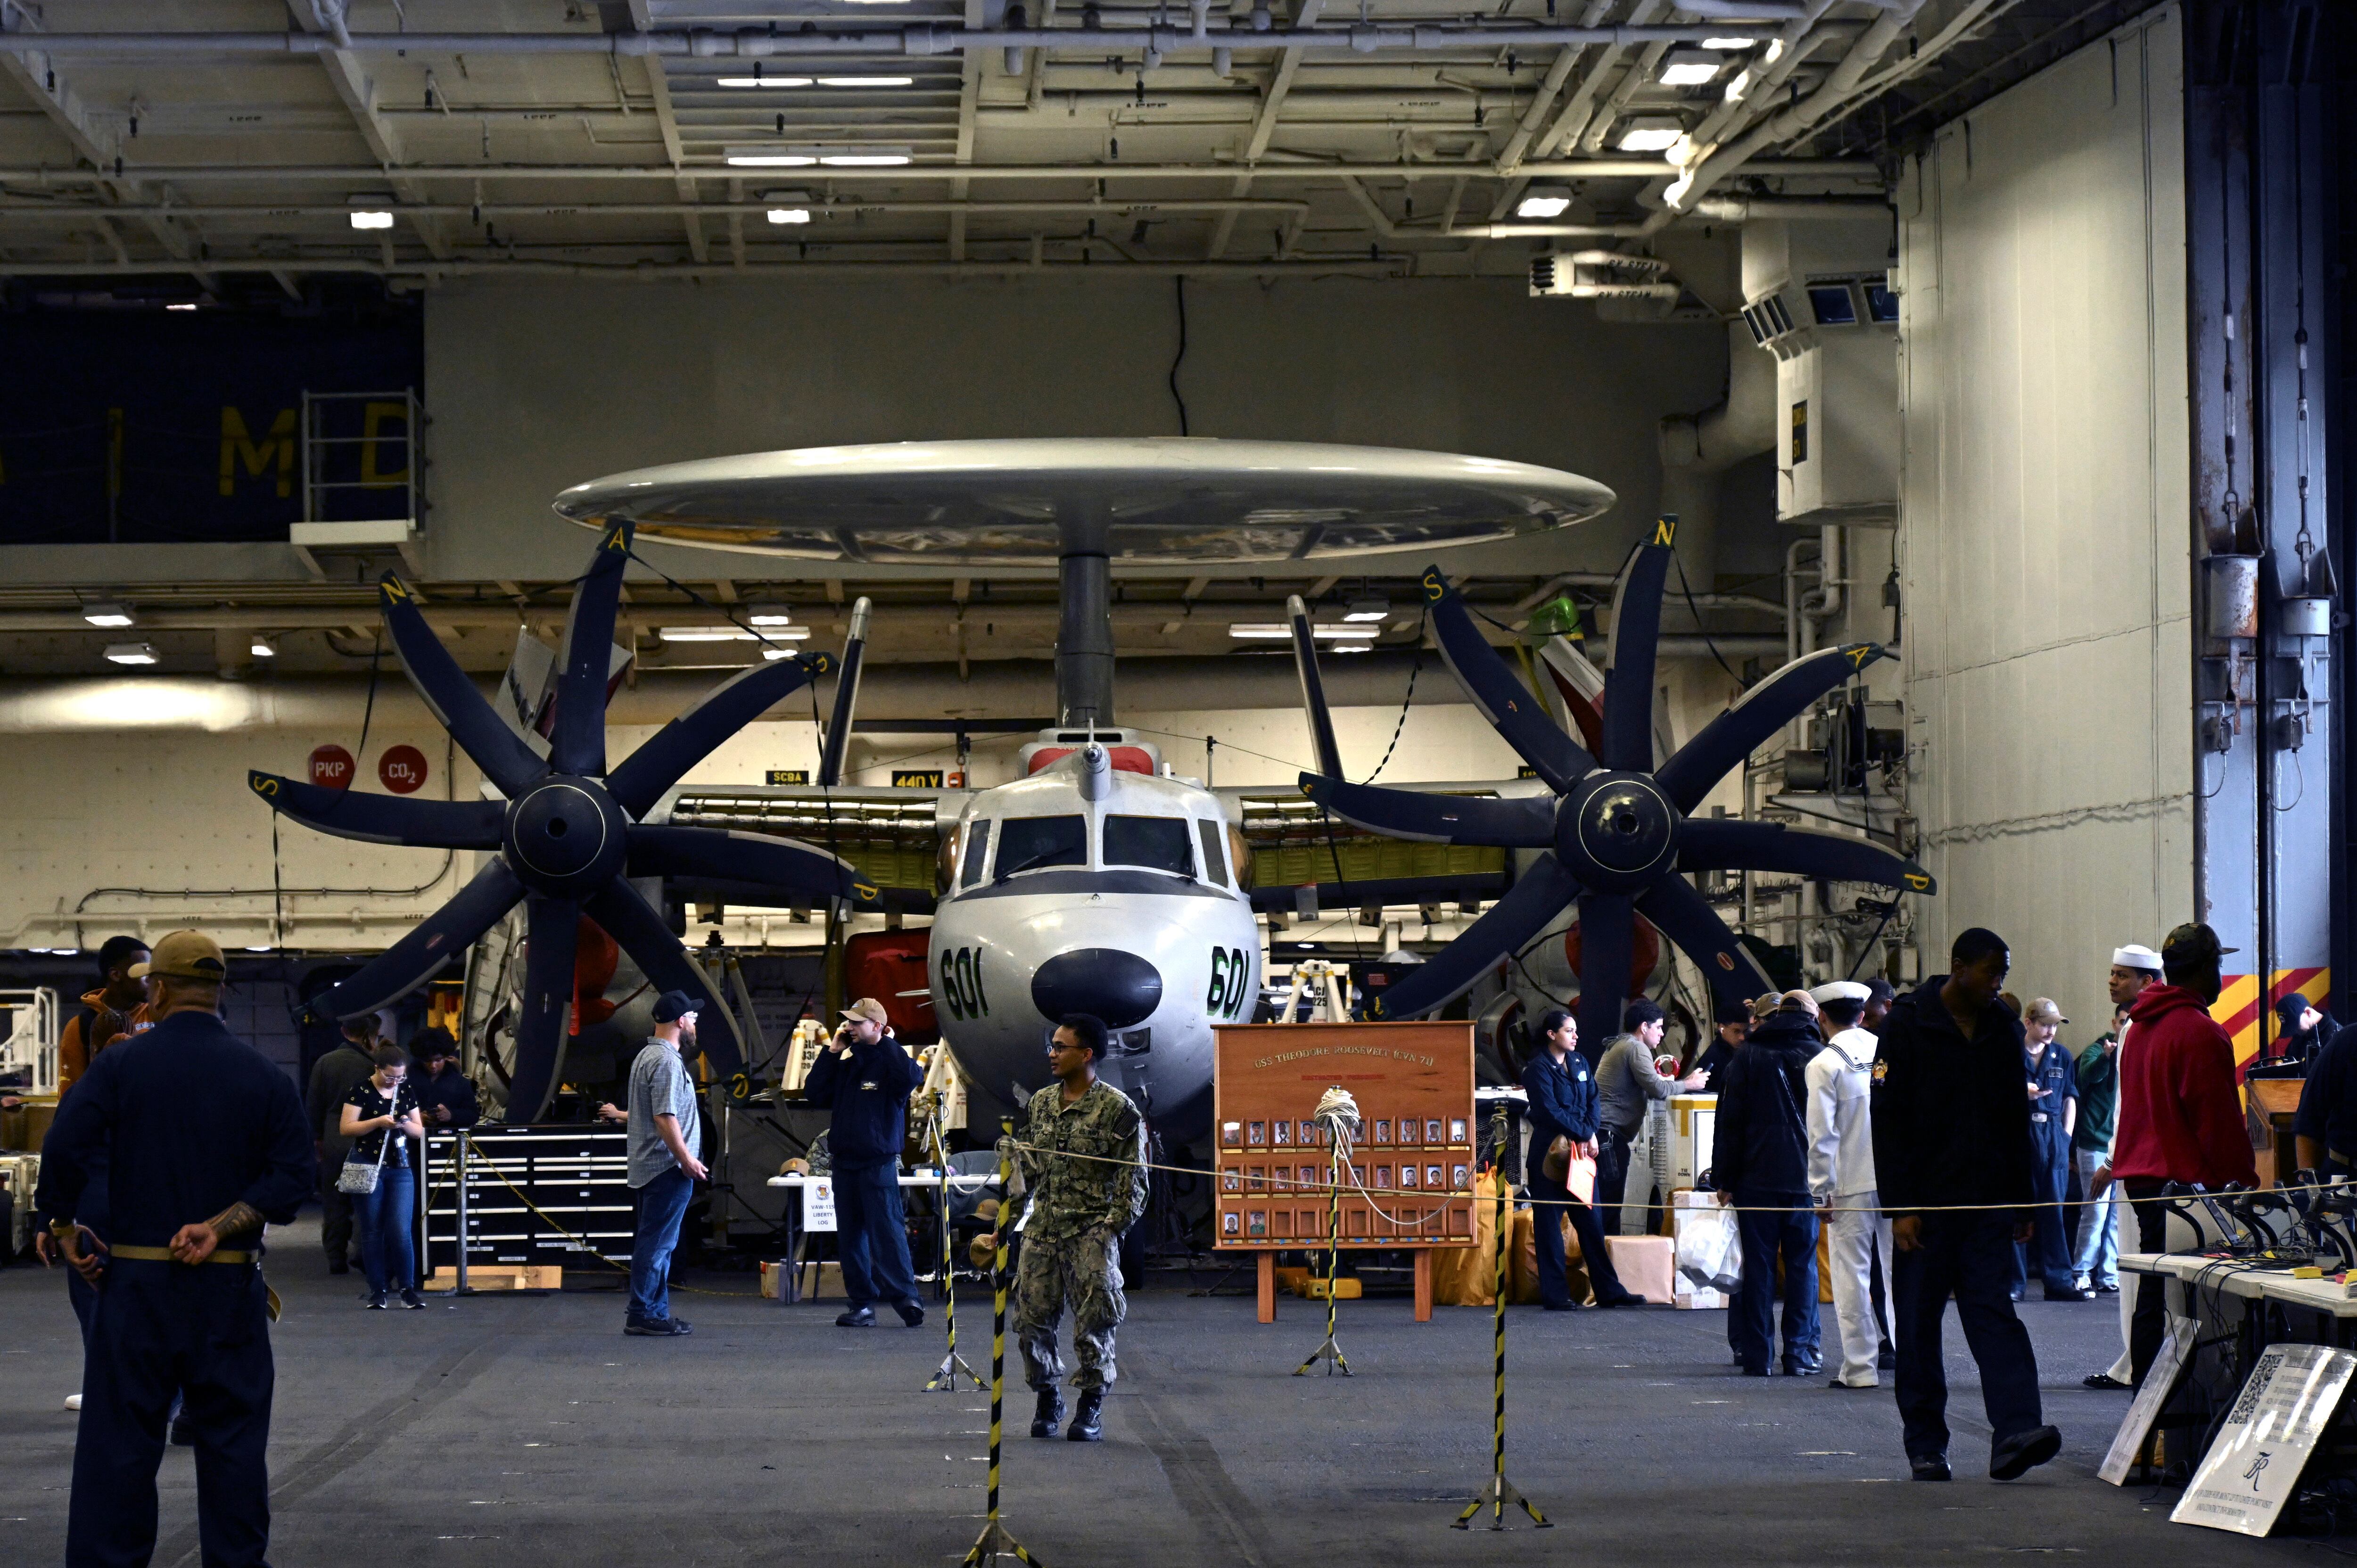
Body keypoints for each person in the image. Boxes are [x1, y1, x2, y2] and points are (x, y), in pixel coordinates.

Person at [32, 928, 313, 1567]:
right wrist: (223, 1224)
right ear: (219, 994)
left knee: (119, 1447)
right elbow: (294, 1176)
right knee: (233, 1445)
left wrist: (66, 1225)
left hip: (138, 1287)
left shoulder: (121, 1065)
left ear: (156, 989)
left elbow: (65, 1146)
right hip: (228, 1288)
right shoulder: (263, 1075)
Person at [1874, 927, 2062, 1483]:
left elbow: (2011, 1122)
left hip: (1985, 1206)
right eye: (1989, 973)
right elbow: (1886, 1122)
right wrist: (1900, 1208)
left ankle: (2016, 1431)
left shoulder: (2001, 1027)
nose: (1997, 984)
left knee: (1994, 1315)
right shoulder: (1906, 1024)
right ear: (1958, 967)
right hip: (1925, 1211)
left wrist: (2022, 1202)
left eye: (2002, 974)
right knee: (1916, 1326)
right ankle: (1926, 1445)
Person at [2111, 922, 2258, 1385]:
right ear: (2203, 970)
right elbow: (2217, 1127)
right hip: (2186, 1189)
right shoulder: (2199, 1032)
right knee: (2199, 1303)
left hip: (2143, 1182)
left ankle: (2146, 1410)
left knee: (2152, 1293)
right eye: (2217, 965)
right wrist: (2243, 1185)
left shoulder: (2139, 1027)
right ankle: (2183, 1413)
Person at [1006, 1013, 1147, 1443]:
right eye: (1052, 1045)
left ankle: (1090, 1405)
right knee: (1030, 1322)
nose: (1052, 1052)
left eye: (1061, 1046)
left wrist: (1111, 1230)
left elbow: (1135, 1181)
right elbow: (1028, 1171)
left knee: (1094, 1323)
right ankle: (1048, 1396)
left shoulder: (1118, 1109)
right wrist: (1008, 1221)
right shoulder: (1041, 1103)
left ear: (1086, 1054)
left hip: (1090, 1232)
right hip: (1042, 1231)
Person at [1714, 990, 1824, 1377]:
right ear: (1812, 1017)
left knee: (1758, 1267)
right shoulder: (1820, 1055)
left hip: (1755, 1179)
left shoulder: (1748, 1055)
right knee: (1802, 1265)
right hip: (1806, 1179)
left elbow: (1730, 1122)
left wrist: (1724, 1178)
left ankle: (1758, 1356)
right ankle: (1799, 1354)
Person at [801, 996, 927, 1330]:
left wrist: (887, 1043)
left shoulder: (890, 1064)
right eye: (849, 1022)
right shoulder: (847, 1063)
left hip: (878, 1163)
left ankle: (907, 1298)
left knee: (888, 1232)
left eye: (857, 1022)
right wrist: (831, 1052)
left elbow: (914, 1075)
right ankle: (861, 1304)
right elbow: (814, 1092)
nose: (850, 1027)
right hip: (845, 1163)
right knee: (851, 1237)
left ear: (877, 1026)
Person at [1520, 1007, 1645, 1312]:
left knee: (1592, 1223)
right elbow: (1549, 1111)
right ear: (1552, 1035)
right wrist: (1586, 1133)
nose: (1576, 1036)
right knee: (1549, 1228)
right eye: (1569, 1031)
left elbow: (1593, 1099)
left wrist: (1590, 1132)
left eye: (1576, 1030)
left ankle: (1609, 1291)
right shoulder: (1537, 1069)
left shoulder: (1580, 1062)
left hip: (1581, 1154)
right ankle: (1556, 1295)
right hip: (1550, 1156)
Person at [2082, 942, 2165, 1391]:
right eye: (2112, 972)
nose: (2112, 980)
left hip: (2139, 1162)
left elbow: (2127, 1103)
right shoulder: (2146, 1023)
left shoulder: (2136, 1026)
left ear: (2147, 981)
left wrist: (2112, 1160)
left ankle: (2137, 1362)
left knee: (2137, 1266)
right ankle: (2134, 1359)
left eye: (2121, 975)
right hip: (2154, 1161)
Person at [1806, 980, 1892, 1390]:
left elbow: (1822, 1135)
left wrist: (1820, 1189)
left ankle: (1860, 1368)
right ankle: (1910, 1359)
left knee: (1851, 1274)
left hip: (1849, 1183)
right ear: (1862, 1013)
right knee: (1900, 1275)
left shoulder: (1824, 1064)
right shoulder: (1886, 1051)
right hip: (1896, 1180)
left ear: (1822, 1017)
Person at [623, 991, 709, 1337]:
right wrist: (687, 1159)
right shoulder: (667, 1062)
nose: (694, 1023)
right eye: (693, 1017)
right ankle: (643, 1312)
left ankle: (655, 1311)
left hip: (653, 1166)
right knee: (657, 1243)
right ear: (680, 1021)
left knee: (659, 1242)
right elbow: (664, 1115)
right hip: (666, 1168)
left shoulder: (648, 1055)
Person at [1593, 999, 1708, 1232]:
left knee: (1607, 1208)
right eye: (1658, 1027)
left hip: (1607, 1138)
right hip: (1610, 1140)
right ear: (1644, 1027)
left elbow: (1653, 1085)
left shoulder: (1621, 1045)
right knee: (1610, 1210)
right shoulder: (1636, 1048)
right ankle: (1607, 1264)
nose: (1662, 1034)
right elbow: (1659, 1089)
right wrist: (1690, 1084)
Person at [338, 1044, 426, 1309]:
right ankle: (378, 1290)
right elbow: (346, 1128)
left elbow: (419, 1132)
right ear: (377, 1068)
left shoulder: (407, 1091)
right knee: (372, 1230)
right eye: (390, 1077)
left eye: (400, 1077)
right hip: (368, 1165)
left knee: (401, 1230)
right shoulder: (360, 1090)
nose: (396, 1082)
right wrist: (378, 1122)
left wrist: (403, 1123)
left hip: (400, 1168)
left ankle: (408, 1289)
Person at [2012, 1000, 2088, 1302]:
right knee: (2017, 1209)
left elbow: (2071, 1097)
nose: (2051, 1031)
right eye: (2045, 1024)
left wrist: (2066, 1137)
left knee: (2054, 1210)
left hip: (2054, 1134)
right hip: (2021, 1133)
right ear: (2028, 1023)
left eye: (2055, 1025)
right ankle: (2014, 1283)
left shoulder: (2063, 1056)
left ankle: (2058, 1281)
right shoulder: (2010, 1054)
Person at [306, 1017, 379, 1275]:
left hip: (333, 1136)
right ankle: (362, 1252)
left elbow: (314, 1105)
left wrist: (317, 1138)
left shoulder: (326, 1062)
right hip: (364, 1135)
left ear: (343, 1031)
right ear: (371, 1034)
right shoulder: (372, 1065)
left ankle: (335, 1256)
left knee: (334, 1200)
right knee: (363, 1197)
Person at [2071, 1005, 2126, 1296]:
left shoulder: (2136, 1049)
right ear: (2113, 1023)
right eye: (2122, 1021)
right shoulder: (2097, 1049)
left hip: (2122, 1146)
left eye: (2130, 1021)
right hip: (2094, 1144)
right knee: (2096, 1212)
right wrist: (2107, 1057)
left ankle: (2108, 1274)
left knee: (2117, 1216)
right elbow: (2086, 1078)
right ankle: (2081, 1273)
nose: (2125, 1026)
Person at [58, 936, 151, 1090]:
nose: (150, 980)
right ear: (116, 975)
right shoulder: (81, 1026)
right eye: (143, 972)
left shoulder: (159, 1015)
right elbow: (70, 1092)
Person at [412, 1026, 480, 1131]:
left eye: (438, 1060)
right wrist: (416, 1118)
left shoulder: (460, 1083)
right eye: (428, 1061)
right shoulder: (407, 1080)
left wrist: (451, 1115)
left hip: (448, 1140)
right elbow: (395, 1111)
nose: (433, 1065)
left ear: (446, 1058)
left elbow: (473, 1115)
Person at [1692, 1007, 1747, 1084]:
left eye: (1745, 1031)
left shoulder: (1741, 1051)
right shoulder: (1711, 1059)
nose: (1742, 1038)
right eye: (1736, 1032)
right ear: (1722, 1029)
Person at [2274, 995, 2334, 1063]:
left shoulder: (2335, 1037)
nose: (2295, 1031)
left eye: (2296, 1026)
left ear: (2308, 1013)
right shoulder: (2299, 1038)